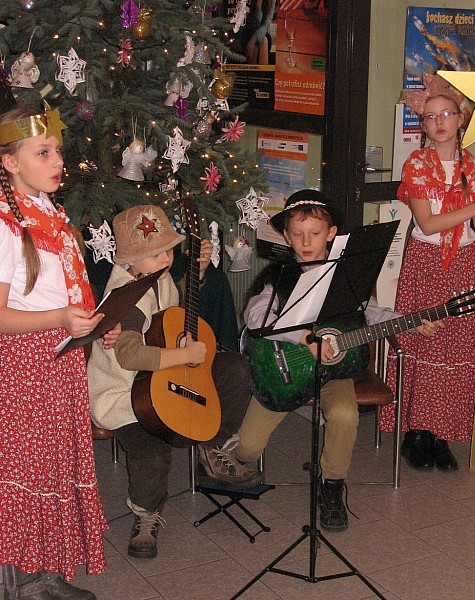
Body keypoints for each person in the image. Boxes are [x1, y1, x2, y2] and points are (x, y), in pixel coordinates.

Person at [201, 189, 440, 532]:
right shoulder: (279, 275)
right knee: (248, 447)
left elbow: (370, 314)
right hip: (284, 372)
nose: (306, 242)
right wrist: (303, 338)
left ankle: (332, 485)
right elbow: (255, 318)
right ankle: (222, 456)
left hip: (334, 372)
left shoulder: (348, 275)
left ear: (331, 233)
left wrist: (410, 321)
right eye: (297, 234)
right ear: (286, 236)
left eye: (314, 233)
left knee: (344, 414)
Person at [88, 204, 259, 561]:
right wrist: (183, 356)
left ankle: (212, 444)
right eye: (155, 254)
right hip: (128, 395)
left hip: (163, 379)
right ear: (129, 260)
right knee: (152, 453)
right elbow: (129, 356)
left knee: (235, 369)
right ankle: (146, 515)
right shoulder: (126, 296)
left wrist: (196, 272)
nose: (166, 258)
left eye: (168, 249)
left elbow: (166, 312)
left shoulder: (155, 276)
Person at [0, 106, 119, 600]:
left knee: (53, 465)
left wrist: (96, 323)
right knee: (26, 469)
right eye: (43, 152)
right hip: (26, 363)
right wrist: (58, 320)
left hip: (60, 357)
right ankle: (19, 582)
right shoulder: (6, 226)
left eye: (58, 152)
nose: (57, 162)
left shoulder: (48, 211)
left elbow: (67, 291)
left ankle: (45, 571)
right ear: (10, 162)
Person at [379, 73, 475, 472]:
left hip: (463, 264)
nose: (439, 122)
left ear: (462, 119)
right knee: (423, 343)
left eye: (447, 114)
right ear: (423, 125)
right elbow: (427, 223)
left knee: (456, 347)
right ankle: (416, 433)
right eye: (430, 117)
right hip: (425, 263)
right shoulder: (418, 164)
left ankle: (440, 434)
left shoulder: (474, 167)